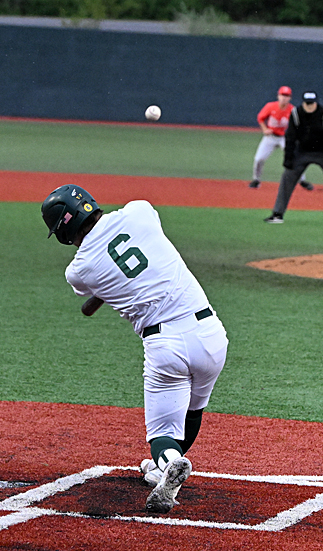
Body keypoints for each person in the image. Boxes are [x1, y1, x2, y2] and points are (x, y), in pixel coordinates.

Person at [41, 184, 229, 513]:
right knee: (193, 410)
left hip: (166, 346)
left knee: (162, 433)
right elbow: (135, 257)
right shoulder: (139, 210)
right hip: (211, 335)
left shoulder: (79, 270)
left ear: (65, 229)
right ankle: (161, 470)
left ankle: (170, 460)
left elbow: (105, 280)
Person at [264, 91, 323, 227]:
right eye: (307, 103)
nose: (309, 106)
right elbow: (290, 137)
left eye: (312, 104)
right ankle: (277, 214)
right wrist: (288, 159)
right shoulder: (296, 113)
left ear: (316, 102)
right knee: (287, 177)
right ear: (303, 102)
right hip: (302, 151)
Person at [249, 86, 313, 191]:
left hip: (285, 138)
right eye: (282, 95)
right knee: (259, 158)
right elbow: (260, 118)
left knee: (295, 157)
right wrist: (265, 129)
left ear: (290, 98)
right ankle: (256, 180)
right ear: (278, 96)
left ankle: (302, 180)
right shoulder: (270, 106)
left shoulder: (292, 110)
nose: (284, 98)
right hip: (271, 137)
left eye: (287, 96)